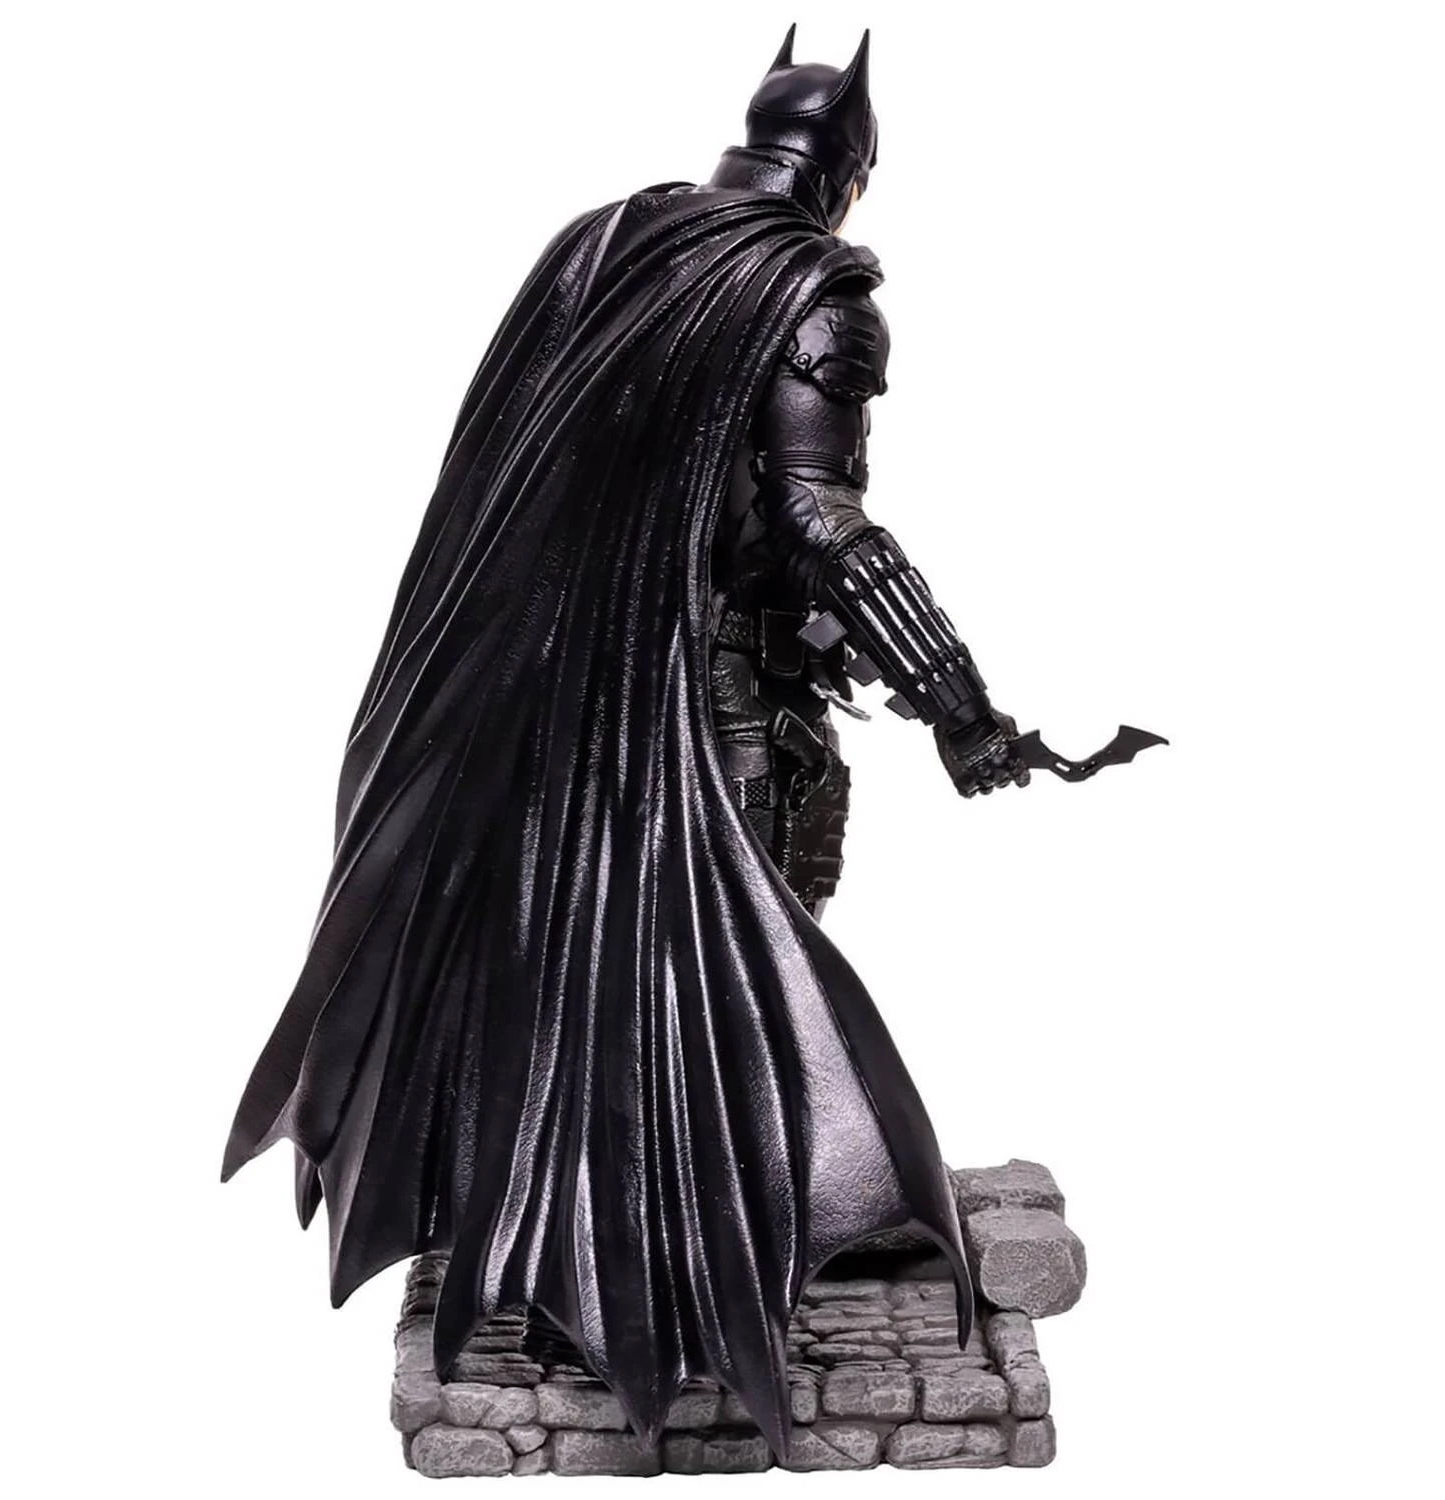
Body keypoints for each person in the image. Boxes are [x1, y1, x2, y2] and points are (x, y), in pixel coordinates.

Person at [224, 27, 1026, 1459]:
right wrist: (959, 703)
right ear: (848, 167)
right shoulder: (811, 290)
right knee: (718, 996)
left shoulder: (612, 243)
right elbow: (815, 514)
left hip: (568, 702)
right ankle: (672, 1284)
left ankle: (592, 1254)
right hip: (705, 719)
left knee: (615, 988)